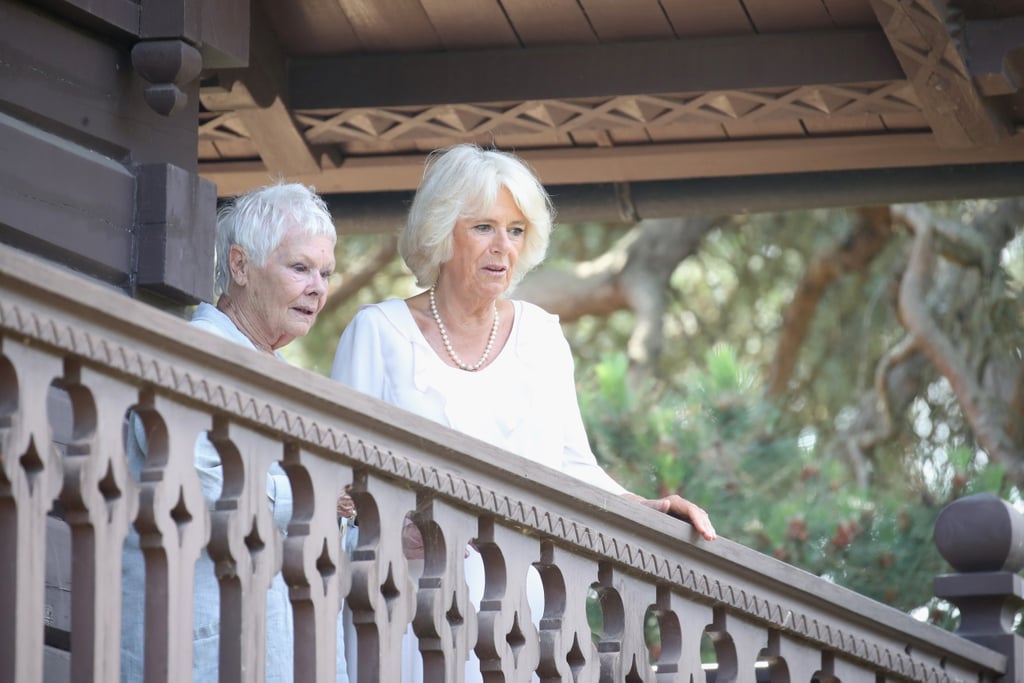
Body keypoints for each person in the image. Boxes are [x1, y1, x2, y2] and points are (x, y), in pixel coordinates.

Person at [330, 144, 716, 681]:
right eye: (484, 227)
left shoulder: (541, 336)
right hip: (406, 606)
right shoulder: (377, 333)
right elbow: (335, 486)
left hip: (522, 611)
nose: (502, 248)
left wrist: (648, 509)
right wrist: (390, 523)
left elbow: (573, 468)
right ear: (442, 233)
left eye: (515, 231)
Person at [121, 181, 352, 682]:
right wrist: (321, 492)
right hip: (203, 652)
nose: (318, 287)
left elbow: (314, 531)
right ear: (241, 266)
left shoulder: (297, 384)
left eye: (326, 273)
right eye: (300, 268)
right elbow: (202, 481)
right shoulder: (187, 352)